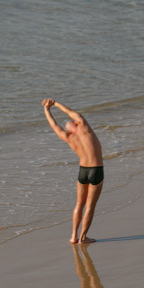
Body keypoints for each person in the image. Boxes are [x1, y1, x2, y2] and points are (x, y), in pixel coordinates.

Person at [43, 98, 103, 243]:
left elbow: (54, 125)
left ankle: (73, 236)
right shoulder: (84, 127)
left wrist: (46, 109)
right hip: (96, 169)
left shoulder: (68, 137)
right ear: (76, 124)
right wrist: (55, 103)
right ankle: (83, 238)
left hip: (82, 171)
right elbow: (70, 112)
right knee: (90, 206)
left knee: (79, 204)